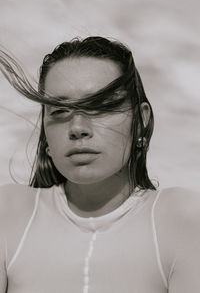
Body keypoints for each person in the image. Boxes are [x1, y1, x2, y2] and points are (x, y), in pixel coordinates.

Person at [0, 36, 199, 293]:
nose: (78, 128)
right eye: (60, 111)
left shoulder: (184, 220)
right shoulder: (8, 213)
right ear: (45, 132)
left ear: (140, 120)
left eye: (102, 106)